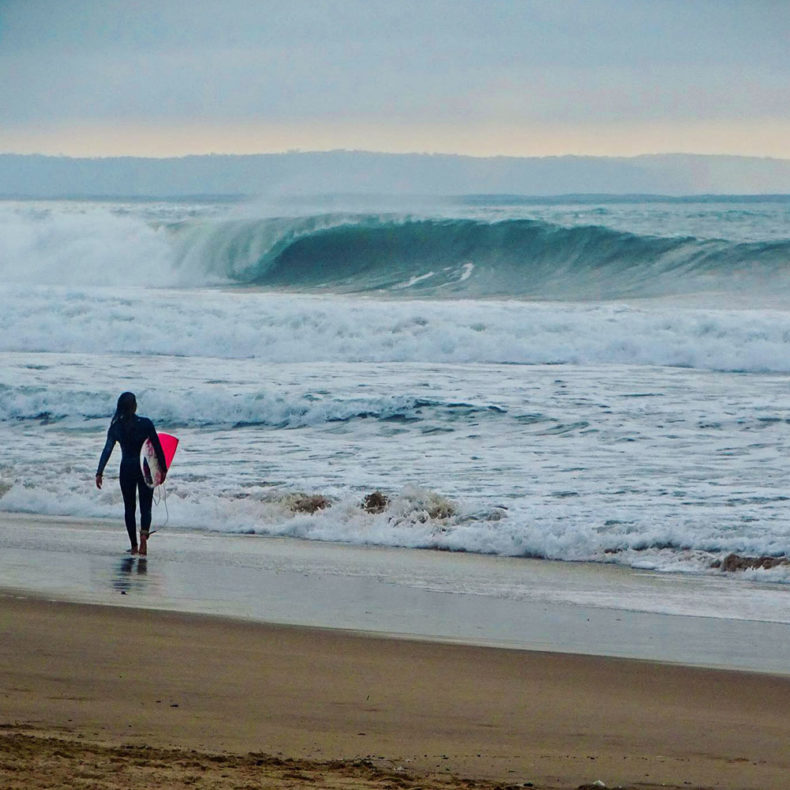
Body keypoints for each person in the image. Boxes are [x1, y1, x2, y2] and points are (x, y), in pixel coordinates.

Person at [96, 392, 166, 556]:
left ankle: (134, 546)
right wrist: (163, 469)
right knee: (145, 506)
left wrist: (99, 472)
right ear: (134, 406)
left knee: (129, 508)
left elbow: (107, 450)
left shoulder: (116, 426)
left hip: (126, 468)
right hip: (145, 468)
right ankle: (143, 537)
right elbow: (157, 447)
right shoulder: (146, 424)